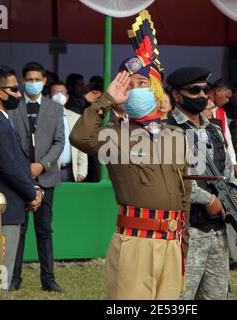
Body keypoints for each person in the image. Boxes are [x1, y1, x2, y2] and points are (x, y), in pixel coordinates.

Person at [70, 10, 191, 300]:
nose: (137, 89)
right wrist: (108, 99)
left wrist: (183, 241)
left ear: (157, 89)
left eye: (143, 83)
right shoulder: (115, 134)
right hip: (137, 240)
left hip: (172, 240)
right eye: (131, 84)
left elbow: (183, 190)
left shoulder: (177, 136)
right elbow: (80, 137)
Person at [166, 66, 237, 300]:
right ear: (176, 94)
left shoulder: (214, 130)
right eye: (195, 90)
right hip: (186, 232)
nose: (203, 96)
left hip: (217, 233)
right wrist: (208, 199)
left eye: (205, 90)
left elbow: (229, 179)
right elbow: (171, 178)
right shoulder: (167, 130)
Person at [0, 65, 43, 300]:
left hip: (7, 210)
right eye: (14, 89)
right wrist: (31, 193)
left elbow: (15, 163)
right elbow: (9, 167)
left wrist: (32, 188)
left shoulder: (0, 119)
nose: (19, 94)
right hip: (0, 213)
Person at [9, 62, 65, 293]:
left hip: (47, 177)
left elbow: (60, 141)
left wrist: (42, 165)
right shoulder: (13, 107)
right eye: (29, 79)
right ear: (23, 80)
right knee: (17, 230)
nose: (33, 83)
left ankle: (48, 279)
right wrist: (24, 168)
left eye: (37, 79)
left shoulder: (55, 108)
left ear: (44, 81)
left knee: (44, 230)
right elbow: (9, 141)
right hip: (19, 178)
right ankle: (13, 278)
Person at [49, 80, 88, 182]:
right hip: (49, 172)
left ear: (67, 97)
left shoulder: (76, 118)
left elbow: (81, 146)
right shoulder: (42, 118)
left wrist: (82, 171)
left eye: (62, 92)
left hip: (71, 171)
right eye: (56, 92)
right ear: (48, 96)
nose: (59, 95)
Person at [208, 79, 237, 177]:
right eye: (226, 97)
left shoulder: (221, 113)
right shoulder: (199, 107)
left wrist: (233, 161)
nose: (227, 100)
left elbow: (227, 138)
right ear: (218, 90)